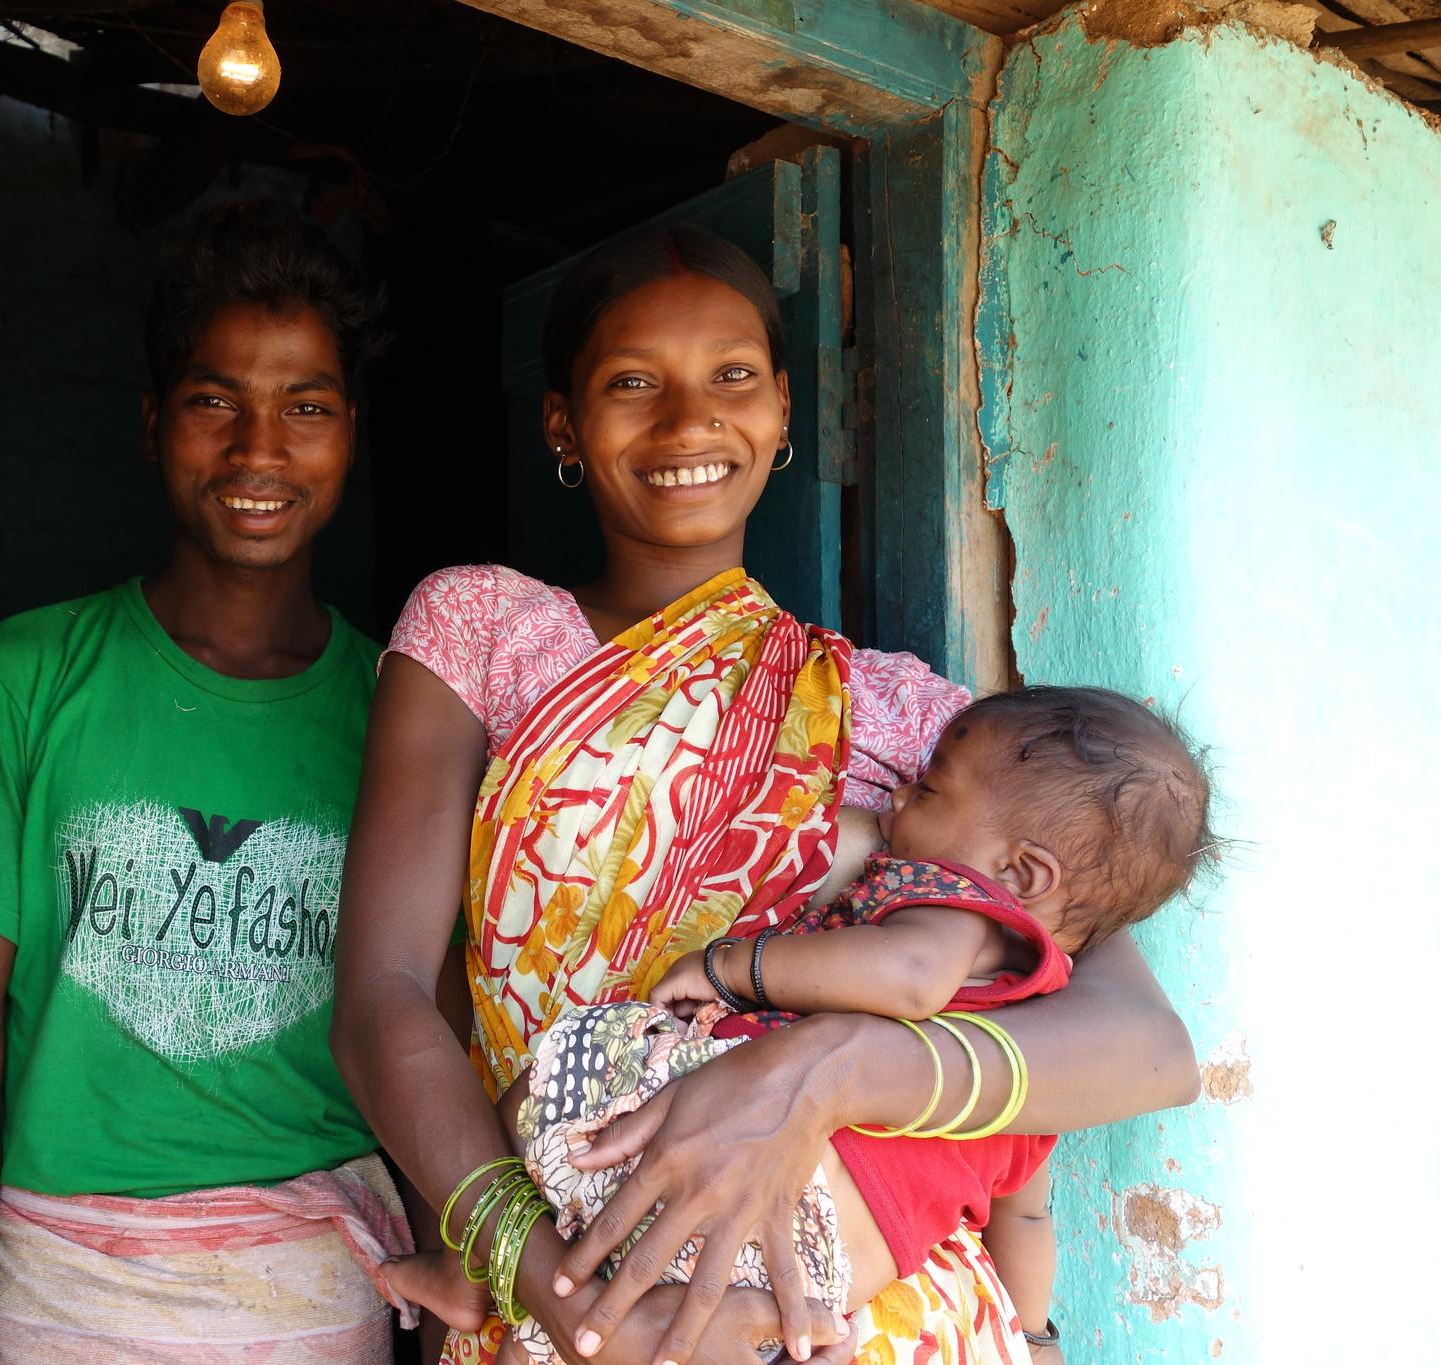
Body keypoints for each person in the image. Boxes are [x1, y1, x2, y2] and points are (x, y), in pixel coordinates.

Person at [331, 223, 1202, 1365]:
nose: (688, 420)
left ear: (784, 410)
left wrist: (812, 1072)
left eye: (732, 377)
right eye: (631, 382)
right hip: (563, 1286)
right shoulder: (482, 630)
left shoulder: (916, 724)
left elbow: (1145, 1048)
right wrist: (556, 1294)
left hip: (862, 1317)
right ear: (561, 423)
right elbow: (380, 998)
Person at [0, 201, 413, 1363]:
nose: (258, 450)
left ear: (350, 435)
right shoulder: (13, 681)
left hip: (313, 1293)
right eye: (215, 401)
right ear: (154, 421)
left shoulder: (405, 716)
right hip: (60, 1287)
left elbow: (442, 1021)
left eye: (304, 408)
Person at [387, 685, 1213, 1365]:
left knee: (555, 1075)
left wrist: (731, 967)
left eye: (927, 788)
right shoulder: (1039, 1040)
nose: (896, 796)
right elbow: (1025, 1217)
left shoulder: (949, 906)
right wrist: (1034, 1338)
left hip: (747, 1186)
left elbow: (910, 977)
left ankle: (477, 1276)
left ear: (1022, 872)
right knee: (659, 1324)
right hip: (820, 1275)